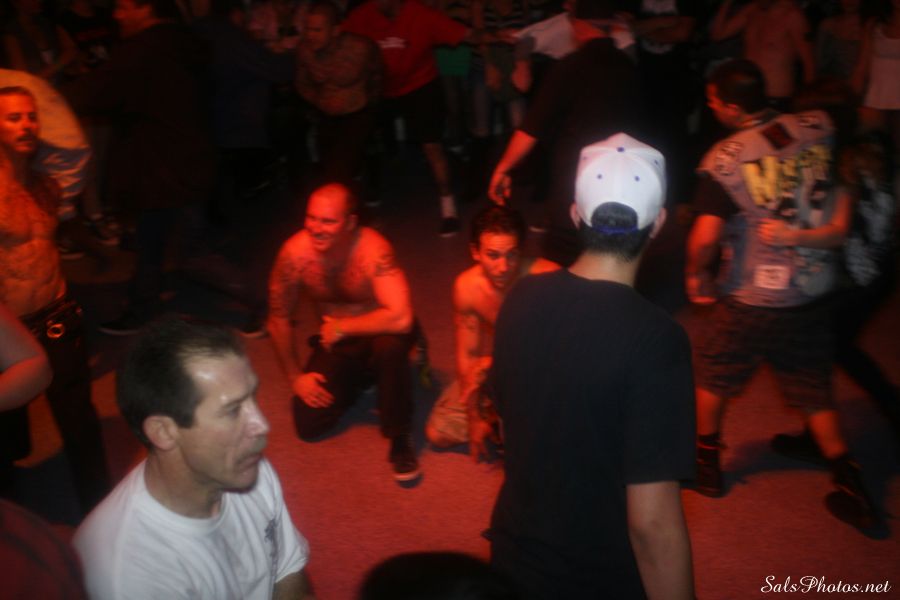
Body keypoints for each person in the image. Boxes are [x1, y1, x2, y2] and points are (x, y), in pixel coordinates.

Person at [488, 133, 695, 599]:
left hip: (513, 559)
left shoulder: (519, 297)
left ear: (575, 214)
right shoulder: (657, 340)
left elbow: (511, 425)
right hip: (593, 577)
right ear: (658, 224)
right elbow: (652, 525)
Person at [685, 59, 877, 529]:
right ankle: (848, 477)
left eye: (713, 101)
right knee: (812, 386)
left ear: (731, 108)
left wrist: (696, 274)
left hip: (752, 296)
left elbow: (706, 237)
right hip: (810, 289)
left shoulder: (726, 159)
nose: (710, 107)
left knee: (713, 373)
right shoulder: (817, 125)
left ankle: (706, 465)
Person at [73, 318, 314, 600]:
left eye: (253, 397)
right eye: (233, 410)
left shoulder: (247, 466)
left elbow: (286, 569)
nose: (262, 425)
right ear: (163, 432)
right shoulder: (129, 575)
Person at [64, 0, 216, 335]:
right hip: (184, 160)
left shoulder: (143, 51)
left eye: (123, 7)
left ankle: (262, 300)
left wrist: (41, 97)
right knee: (151, 240)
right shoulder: (182, 39)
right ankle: (142, 305)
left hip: (167, 167)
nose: (116, 15)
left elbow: (94, 93)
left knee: (192, 254)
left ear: (146, 9)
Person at [0, 86, 109, 515]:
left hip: (57, 312)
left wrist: (98, 251)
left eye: (31, 116)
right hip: (10, 334)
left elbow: (51, 240)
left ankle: (101, 511)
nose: (26, 125)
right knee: (7, 437)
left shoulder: (46, 185)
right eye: (13, 117)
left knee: (80, 419)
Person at [267, 183, 420, 481]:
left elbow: (402, 318)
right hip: (338, 340)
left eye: (327, 221)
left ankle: (399, 434)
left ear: (350, 223)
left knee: (390, 349)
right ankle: (366, 376)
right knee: (309, 424)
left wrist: (342, 326)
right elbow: (278, 318)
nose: (316, 228)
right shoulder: (294, 255)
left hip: (381, 331)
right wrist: (295, 377)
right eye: (311, 218)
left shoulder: (374, 250)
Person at [488, 0, 644, 266]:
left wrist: (503, 168)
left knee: (560, 258)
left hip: (575, 179)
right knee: (609, 256)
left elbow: (531, 129)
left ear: (577, 25)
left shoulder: (568, 67)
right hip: (620, 177)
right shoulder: (628, 67)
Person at [341, 0, 508, 235]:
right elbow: (338, 37)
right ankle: (368, 194)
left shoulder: (421, 15)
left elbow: (468, 34)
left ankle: (448, 209)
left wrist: (497, 35)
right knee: (361, 141)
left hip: (419, 85)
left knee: (432, 146)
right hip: (380, 88)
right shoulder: (363, 15)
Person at [425, 205, 557, 459]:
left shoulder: (548, 280)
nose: (503, 267)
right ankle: (501, 423)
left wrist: (497, 363)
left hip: (545, 375)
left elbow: (566, 353)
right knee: (437, 432)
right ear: (475, 252)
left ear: (521, 251)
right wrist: (474, 417)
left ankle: (516, 425)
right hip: (500, 371)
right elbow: (468, 355)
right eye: (493, 255)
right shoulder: (467, 289)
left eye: (511, 255)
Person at [295, 0, 383, 187]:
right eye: (308, 29)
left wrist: (371, 109)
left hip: (356, 115)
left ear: (335, 30)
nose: (310, 35)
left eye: (317, 30)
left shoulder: (360, 48)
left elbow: (378, 76)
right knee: (329, 166)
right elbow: (301, 83)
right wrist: (318, 100)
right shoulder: (304, 50)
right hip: (325, 116)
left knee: (338, 173)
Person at [710, 0, 815, 109]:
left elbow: (809, 62)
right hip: (748, 95)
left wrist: (809, 100)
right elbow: (718, 34)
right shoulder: (752, 10)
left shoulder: (792, 15)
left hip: (776, 96)